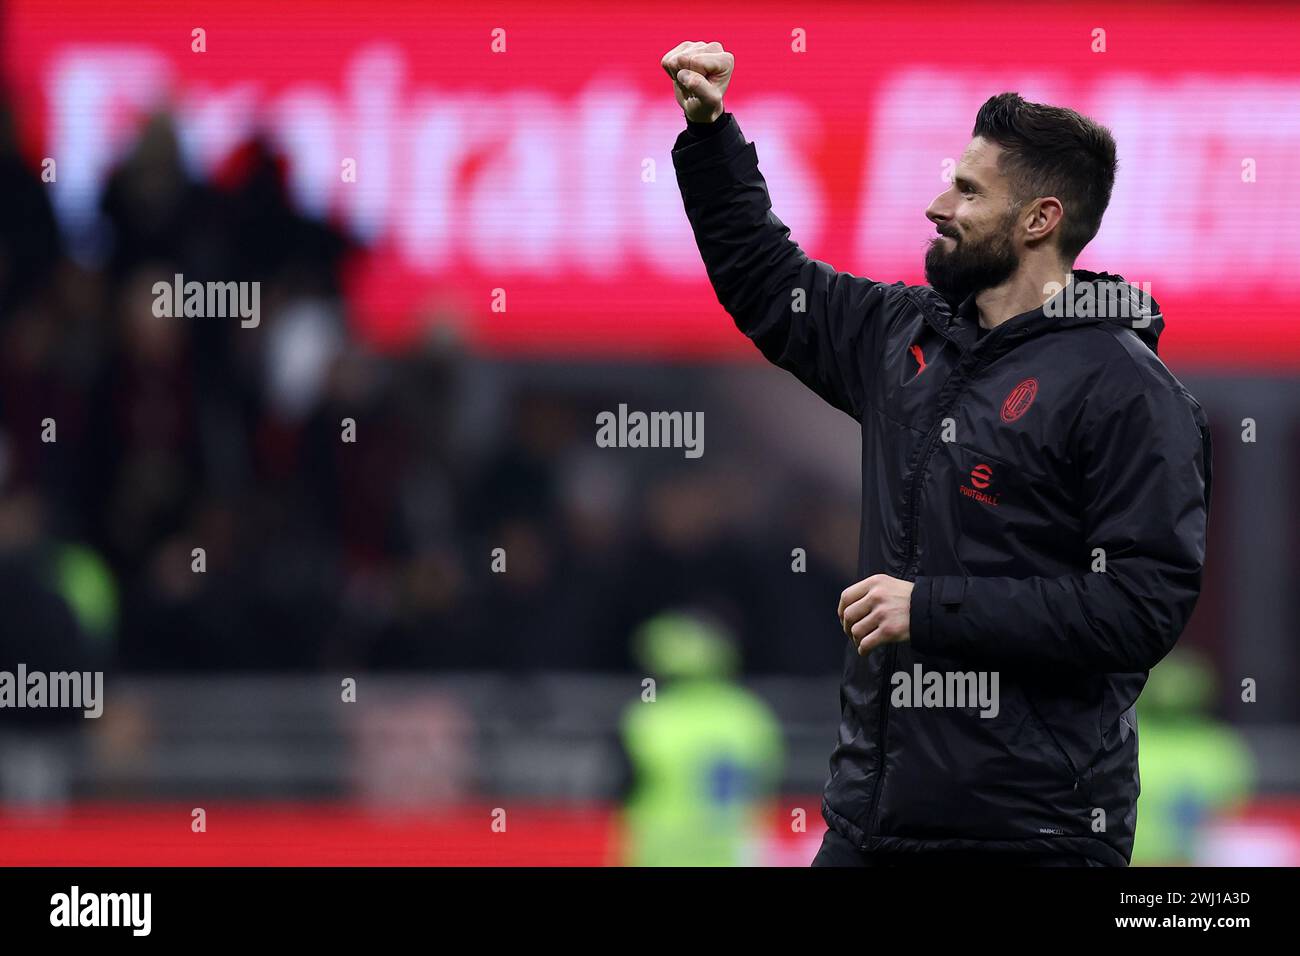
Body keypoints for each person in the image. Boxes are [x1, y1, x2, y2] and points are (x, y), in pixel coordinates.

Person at [661, 41, 1212, 866]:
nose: (935, 204)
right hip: (869, 823)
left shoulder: (1128, 388)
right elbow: (768, 283)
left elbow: (1140, 608)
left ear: (1039, 220)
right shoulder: (903, 336)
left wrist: (933, 608)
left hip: (1033, 835)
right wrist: (711, 139)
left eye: (966, 190)